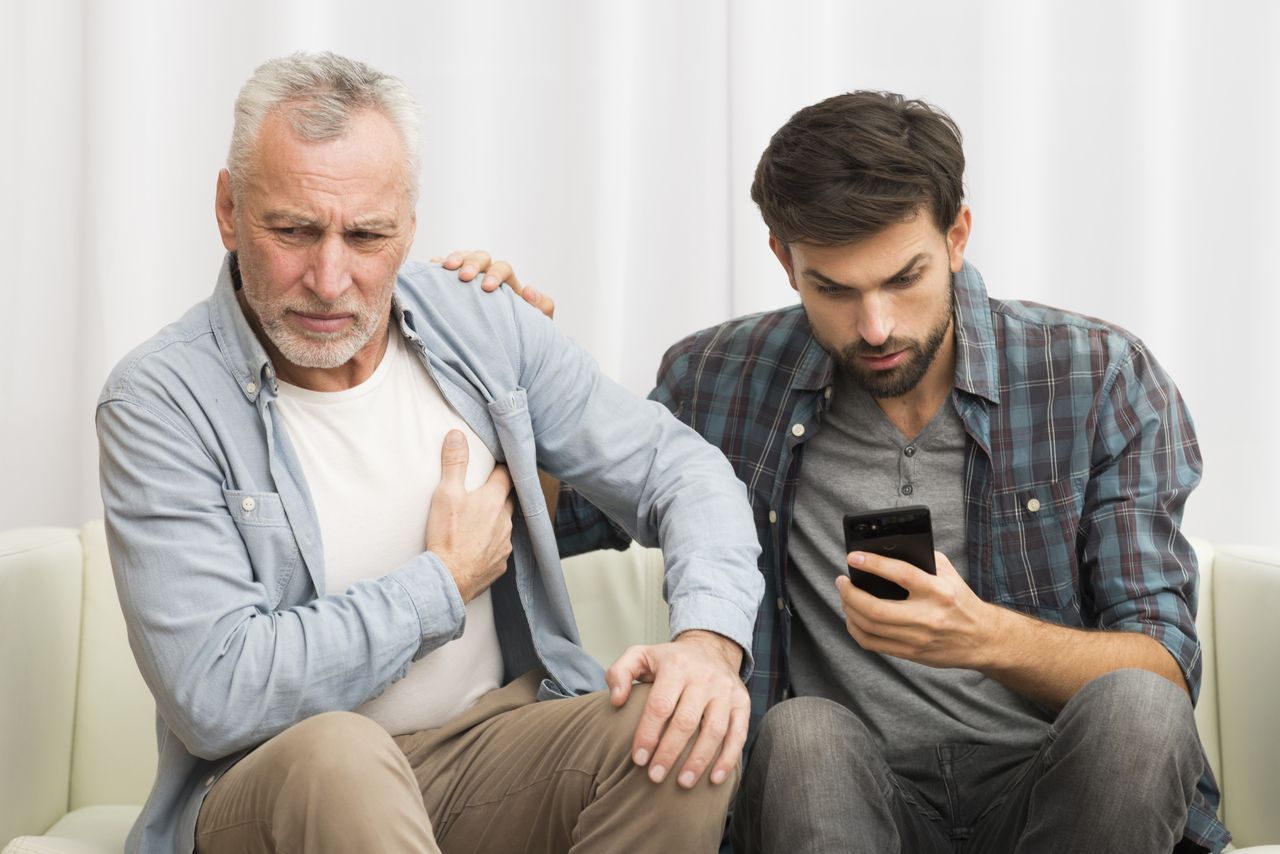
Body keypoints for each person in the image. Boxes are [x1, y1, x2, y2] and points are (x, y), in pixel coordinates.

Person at [96, 52, 765, 854]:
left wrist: (708, 644)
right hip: (282, 781)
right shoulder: (159, 399)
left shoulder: (481, 323)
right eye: (294, 230)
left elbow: (682, 472)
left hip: (489, 749)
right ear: (228, 209)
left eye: (368, 234)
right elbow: (216, 693)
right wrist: (439, 584)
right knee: (342, 754)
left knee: (679, 724)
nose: (330, 277)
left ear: (409, 226)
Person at [527, 92, 1227, 853]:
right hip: (847, 800)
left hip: (1057, 793)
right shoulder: (719, 378)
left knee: (1142, 711)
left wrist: (984, 637)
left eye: (903, 278)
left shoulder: (1095, 377)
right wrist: (514, 369)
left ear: (957, 236)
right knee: (801, 734)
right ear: (782, 259)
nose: (875, 327)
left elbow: (1163, 663)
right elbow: (561, 519)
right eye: (832, 288)